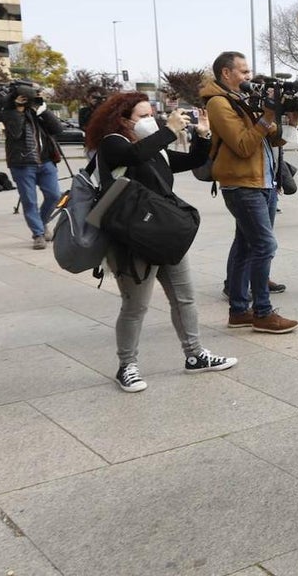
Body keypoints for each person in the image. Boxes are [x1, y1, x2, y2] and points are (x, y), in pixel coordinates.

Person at [84, 92, 237, 392]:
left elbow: (193, 160)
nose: (149, 120)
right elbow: (134, 157)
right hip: (131, 237)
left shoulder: (157, 150)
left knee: (185, 297)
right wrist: (169, 130)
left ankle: (195, 356)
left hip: (165, 233)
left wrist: (203, 135)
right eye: (142, 116)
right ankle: (126, 365)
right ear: (122, 119)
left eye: (151, 114)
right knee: (135, 306)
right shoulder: (113, 143)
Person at [200, 51, 298, 334]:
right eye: (242, 71)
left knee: (245, 246)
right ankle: (262, 312)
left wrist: (284, 114)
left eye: (248, 70)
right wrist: (266, 116)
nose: (248, 76)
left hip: (263, 183)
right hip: (242, 185)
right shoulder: (219, 103)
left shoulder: (245, 100)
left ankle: (239, 311)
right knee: (265, 246)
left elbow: (275, 138)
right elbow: (242, 145)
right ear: (226, 74)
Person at [1, 83, 62, 249]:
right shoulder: (8, 113)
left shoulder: (38, 112)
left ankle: (41, 224)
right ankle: (38, 234)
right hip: (22, 164)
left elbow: (57, 129)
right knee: (29, 200)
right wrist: (19, 110)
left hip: (46, 161)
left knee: (55, 195)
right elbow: (15, 133)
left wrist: (43, 110)